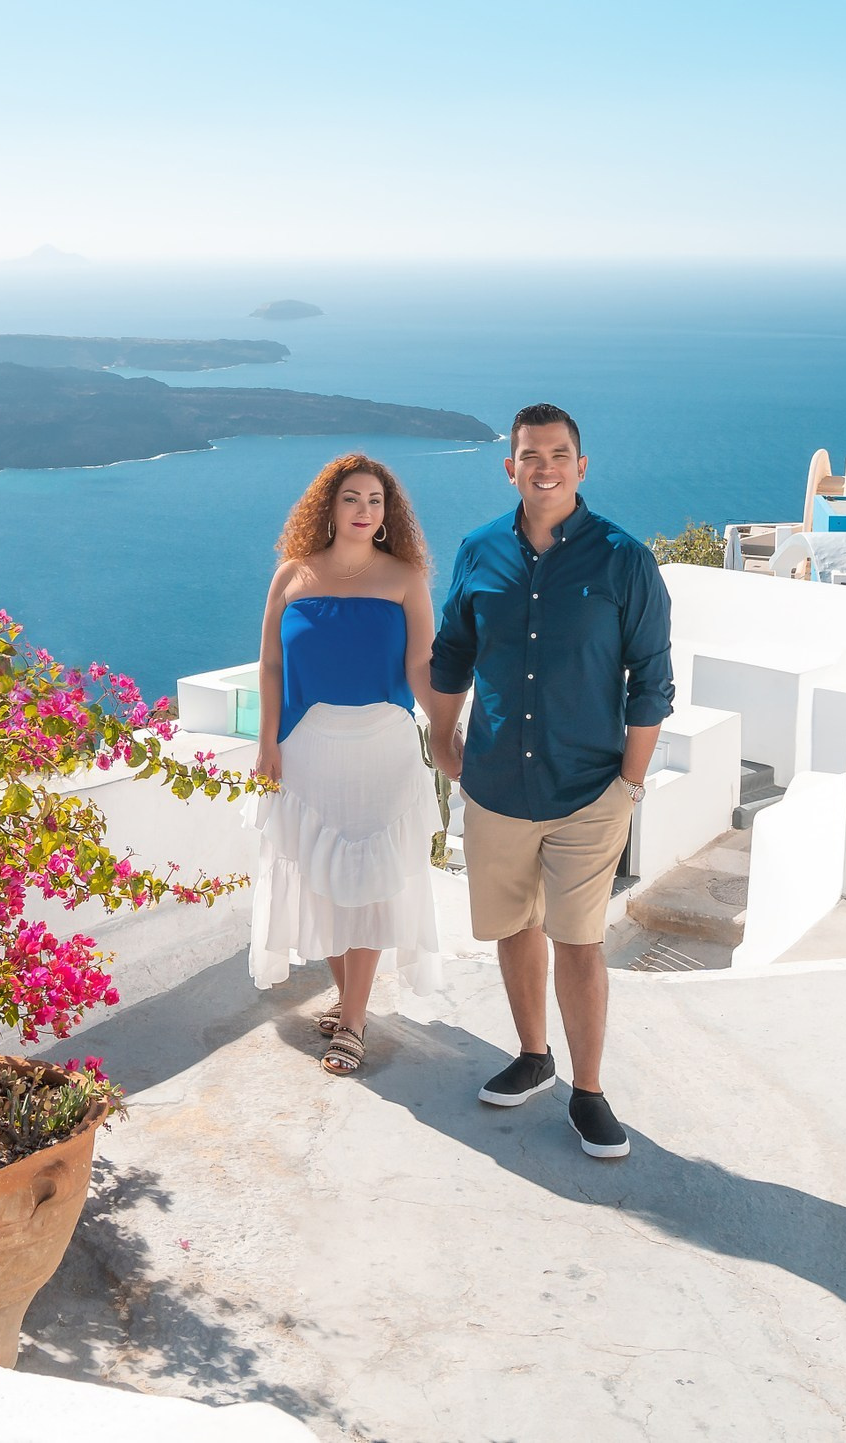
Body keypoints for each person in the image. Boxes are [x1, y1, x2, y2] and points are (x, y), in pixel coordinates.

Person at [425, 403, 673, 1158]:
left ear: (581, 465)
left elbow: (652, 679)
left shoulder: (623, 559)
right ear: (511, 467)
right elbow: (451, 656)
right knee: (513, 926)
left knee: (579, 940)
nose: (545, 467)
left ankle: (589, 1092)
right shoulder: (478, 551)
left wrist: (629, 782)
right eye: (531, 455)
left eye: (559, 454)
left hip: (588, 789)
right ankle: (534, 1055)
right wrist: (442, 736)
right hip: (496, 782)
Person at [247, 452, 447, 1075]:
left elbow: (422, 667)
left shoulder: (405, 579)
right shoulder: (292, 576)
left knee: (366, 889)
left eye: (375, 501)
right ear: (328, 507)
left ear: (388, 515)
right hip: (307, 748)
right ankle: (350, 997)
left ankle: (353, 1020)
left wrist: (447, 725)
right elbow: (272, 666)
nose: (364, 510)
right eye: (352, 498)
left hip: (383, 748)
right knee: (323, 882)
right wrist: (266, 741)